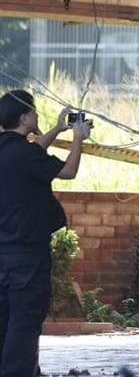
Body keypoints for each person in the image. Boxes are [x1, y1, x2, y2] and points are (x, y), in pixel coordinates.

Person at [0, 90, 92, 376]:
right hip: (26, 256)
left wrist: (57, 128)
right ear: (25, 117)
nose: (38, 116)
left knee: (4, 320)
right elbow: (68, 171)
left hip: (3, 252)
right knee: (24, 322)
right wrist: (78, 138)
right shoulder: (25, 154)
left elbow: (30, 152)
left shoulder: (9, 149)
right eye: (35, 112)